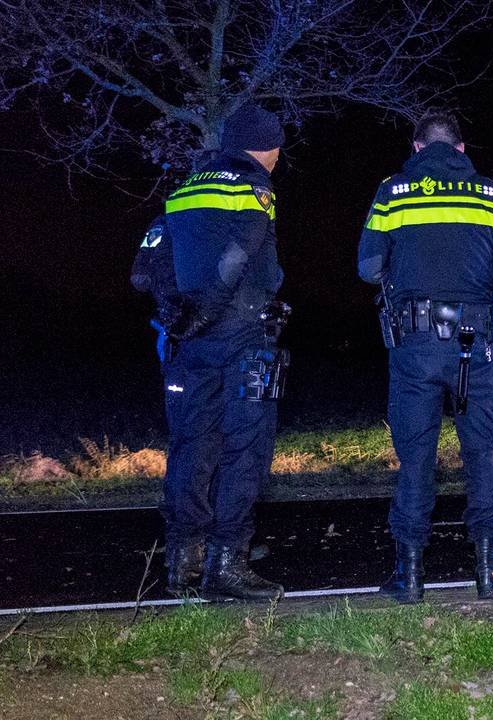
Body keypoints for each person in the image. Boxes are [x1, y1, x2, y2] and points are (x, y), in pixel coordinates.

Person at [359, 110, 493, 602]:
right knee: (483, 455)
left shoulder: (392, 192)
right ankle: (489, 571)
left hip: (414, 347)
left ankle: (409, 575)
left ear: (417, 148)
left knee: (416, 457)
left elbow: (369, 267)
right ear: (461, 149)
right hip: (476, 348)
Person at [158, 104, 287, 601]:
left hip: (192, 339)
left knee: (192, 445)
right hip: (244, 337)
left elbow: (152, 261)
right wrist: (210, 307)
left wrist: (181, 312)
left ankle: (181, 562)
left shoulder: (183, 188)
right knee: (246, 448)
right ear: (269, 149)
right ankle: (227, 565)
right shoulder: (255, 188)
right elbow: (240, 254)